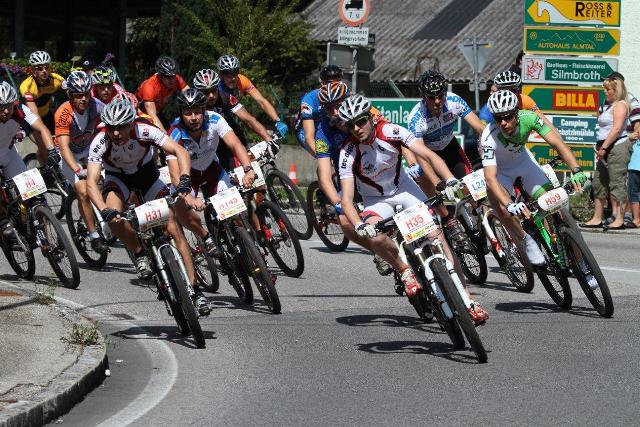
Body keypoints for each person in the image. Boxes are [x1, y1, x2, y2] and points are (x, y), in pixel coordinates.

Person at [337, 94, 489, 325]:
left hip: (404, 189)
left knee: (437, 239)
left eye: (361, 121)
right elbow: (347, 199)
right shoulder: (347, 152)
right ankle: (404, 270)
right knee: (375, 237)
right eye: (351, 125)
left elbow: (428, 154)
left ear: (370, 118)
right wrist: (359, 224)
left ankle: (468, 300)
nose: (357, 129)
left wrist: (449, 179)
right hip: (375, 200)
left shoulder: (390, 131)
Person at [85, 99, 211, 315]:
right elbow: (91, 182)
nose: (116, 133)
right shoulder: (100, 141)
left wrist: (184, 179)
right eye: (111, 128)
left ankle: (195, 290)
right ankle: (139, 252)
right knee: (113, 219)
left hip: (147, 177)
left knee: (173, 228)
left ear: (131, 123)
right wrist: (104, 209)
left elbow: (179, 151)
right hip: (118, 179)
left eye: (121, 127)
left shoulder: (144, 129)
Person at [480, 90, 587, 265]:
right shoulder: (488, 137)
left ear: (516, 113)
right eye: (498, 119)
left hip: (524, 163)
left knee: (555, 206)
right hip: (501, 172)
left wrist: (576, 170)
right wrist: (509, 204)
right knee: (503, 209)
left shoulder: (529, 117)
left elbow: (557, 142)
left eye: (507, 117)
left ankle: (582, 264)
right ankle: (526, 240)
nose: (503, 123)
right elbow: (490, 178)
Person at [166, 88, 257, 255]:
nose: (193, 117)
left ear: (203, 110)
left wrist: (248, 169)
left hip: (212, 170)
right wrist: (189, 198)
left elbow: (235, 144)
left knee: (237, 212)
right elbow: (174, 173)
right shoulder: (174, 131)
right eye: (187, 113)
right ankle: (206, 237)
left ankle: (248, 246)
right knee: (181, 208)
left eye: (197, 112)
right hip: (188, 177)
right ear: (181, 114)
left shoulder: (215, 119)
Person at [54, 71, 107, 253]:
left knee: (108, 180)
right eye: (78, 95)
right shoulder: (63, 113)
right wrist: (78, 170)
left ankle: (93, 217)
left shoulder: (96, 105)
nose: (84, 99)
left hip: (88, 149)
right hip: (68, 155)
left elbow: (111, 125)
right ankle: (94, 236)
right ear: (70, 95)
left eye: (86, 94)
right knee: (83, 190)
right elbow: (64, 148)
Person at [407, 70, 485, 179]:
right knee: (436, 186)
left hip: (450, 146)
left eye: (440, 95)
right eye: (431, 97)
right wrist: (436, 182)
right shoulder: (416, 119)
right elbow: (421, 154)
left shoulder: (454, 101)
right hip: (428, 153)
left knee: (468, 184)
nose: (437, 101)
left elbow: (481, 129)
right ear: (423, 97)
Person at [192, 68, 272, 171]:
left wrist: (268, 139)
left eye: (213, 90)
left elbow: (248, 119)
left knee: (239, 149)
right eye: (206, 92)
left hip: (225, 132)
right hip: (204, 139)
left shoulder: (225, 97)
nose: (211, 96)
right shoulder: (193, 106)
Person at [581, 77, 631, 230]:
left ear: (616, 91)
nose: (605, 91)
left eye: (608, 89)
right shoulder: (607, 106)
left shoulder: (621, 105)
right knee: (599, 182)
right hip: (604, 147)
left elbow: (616, 129)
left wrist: (604, 148)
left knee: (617, 183)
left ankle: (620, 219)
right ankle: (597, 218)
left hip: (617, 146)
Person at [217, 54, 288, 138]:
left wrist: (277, 120)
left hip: (229, 114)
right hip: (213, 117)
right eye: (228, 74)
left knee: (240, 139)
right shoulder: (215, 88)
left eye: (235, 72)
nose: (232, 78)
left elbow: (261, 101)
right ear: (221, 75)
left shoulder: (242, 81)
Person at [0, 81, 59, 182]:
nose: (6, 111)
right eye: (1, 107)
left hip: (9, 153)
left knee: (30, 188)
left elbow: (42, 128)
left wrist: (52, 151)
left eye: (9, 105)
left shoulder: (20, 109)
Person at [19, 50, 65, 163]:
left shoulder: (56, 80)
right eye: (39, 68)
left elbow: (73, 93)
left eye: (46, 67)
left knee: (61, 141)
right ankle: (45, 169)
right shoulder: (27, 86)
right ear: (33, 70)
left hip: (46, 114)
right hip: (31, 119)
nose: (44, 71)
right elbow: (35, 114)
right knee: (43, 145)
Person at [294, 64, 344, 156]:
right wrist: (323, 158)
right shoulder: (309, 99)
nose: (333, 86)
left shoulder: (344, 95)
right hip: (305, 131)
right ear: (322, 83)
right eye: (329, 83)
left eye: (337, 82)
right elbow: (309, 137)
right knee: (325, 157)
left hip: (327, 125)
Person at [135, 55, 189, 132]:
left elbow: (190, 94)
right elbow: (152, 115)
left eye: (173, 76)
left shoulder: (176, 79)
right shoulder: (150, 86)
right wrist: (165, 136)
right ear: (160, 76)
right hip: (141, 112)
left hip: (157, 111)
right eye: (167, 77)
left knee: (171, 131)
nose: (171, 80)